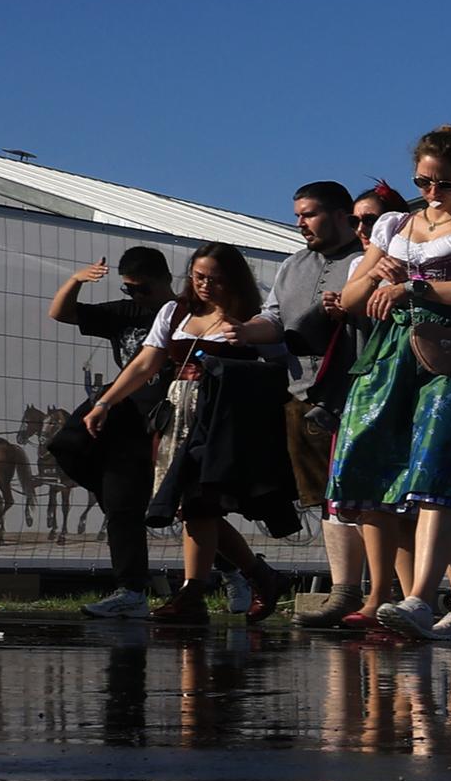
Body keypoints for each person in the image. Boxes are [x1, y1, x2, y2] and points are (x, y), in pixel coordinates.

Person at [327, 128, 451, 640]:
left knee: (438, 472)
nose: (433, 194)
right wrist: (377, 274)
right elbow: (348, 300)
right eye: (424, 182)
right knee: (385, 464)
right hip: (393, 355)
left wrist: (415, 284)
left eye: (445, 185)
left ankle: (418, 599)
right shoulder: (395, 225)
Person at [79, 242, 297, 626]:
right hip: (179, 416)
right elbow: (146, 362)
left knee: (200, 502)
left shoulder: (254, 317)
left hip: (224, 421)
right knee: (191, 505)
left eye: (214, 278)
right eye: (198, 277)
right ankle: (258, 576)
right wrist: (105, 403)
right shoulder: (174, 311)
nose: (205, 285)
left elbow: (281, 369)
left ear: (233, 279)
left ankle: (193, 592)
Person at [45, 244, 176, 616]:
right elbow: (61, 312)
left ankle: (239, 571)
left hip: (168, 416)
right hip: (125, 418)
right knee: (109, 491)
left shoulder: (180, 312)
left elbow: (150, 364)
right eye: (129, 289)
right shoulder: (127, 312)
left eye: (143, 289)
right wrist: (75, 280)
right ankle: (132, 591)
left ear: (166, 278)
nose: (136, 296)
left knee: (184, 505)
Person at [271, 181, 379, 623]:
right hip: (302, 392)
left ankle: (383, 592)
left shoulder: (367, 258)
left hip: (357, 393)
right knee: (324, 498)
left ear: (341, 215)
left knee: (370, 497)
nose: (300, 223)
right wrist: (241, 331)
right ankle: (345, 592)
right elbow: (273, 317)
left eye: (310, 214)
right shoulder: (291, 265)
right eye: (297, 215)